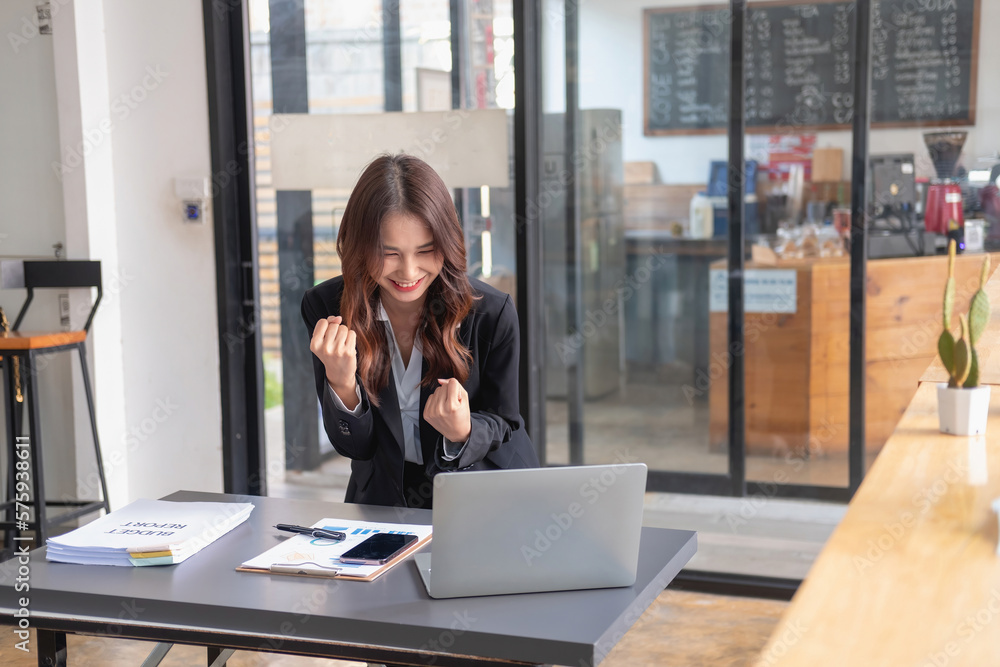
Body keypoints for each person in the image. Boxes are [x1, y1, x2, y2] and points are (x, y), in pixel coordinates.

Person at [301, 153, 539, 509]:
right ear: (361, 248)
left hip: (481, 490)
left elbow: (506, 421)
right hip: (384, 495)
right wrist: (341, 384)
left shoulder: (490, 311)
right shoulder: (327, 307)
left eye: (426, 251)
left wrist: (463, 430)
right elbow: (355, 447)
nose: (409, 272)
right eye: (389, 253)